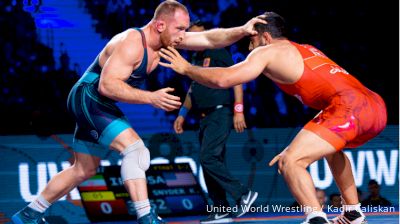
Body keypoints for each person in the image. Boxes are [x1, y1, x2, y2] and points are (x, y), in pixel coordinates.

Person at [11, 1, 266, 224]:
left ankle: (28, 215)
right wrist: (151, 97)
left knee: (83, 169)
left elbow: (211, 38)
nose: (183, 36)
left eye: (185, 29)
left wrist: (242, 30)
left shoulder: (168, 39)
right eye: (179, 29)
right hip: (89, 97)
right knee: (136, 150)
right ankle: (146, 216)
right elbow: (107, 85)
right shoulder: (132, 42)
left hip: (96, 101)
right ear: (160, 25)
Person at [158, 11, 387, 224]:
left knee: (291, 162)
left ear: (265, 37)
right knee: (329, 151)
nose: (249, 45)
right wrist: (298, 144)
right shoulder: (305, 48)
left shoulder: (266, 51)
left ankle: (316, 218)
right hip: (375, 107)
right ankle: (353, 211)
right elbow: (335, 93)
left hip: (349, 107)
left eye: (252, 39)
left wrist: (187, 69)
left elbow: (225, 79)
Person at [174, 20, 257, 224]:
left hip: (220, 113)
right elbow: (193, 89)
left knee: (208, 158)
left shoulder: (219, 51)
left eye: (196, 35)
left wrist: (239, 111)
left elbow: (236, 78)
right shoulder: (194, 57)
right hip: (204, 117)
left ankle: (243, 194)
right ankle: (220, 209)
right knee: (210, 161)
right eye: (190, 36)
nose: (192, 40)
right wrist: (182, 114)